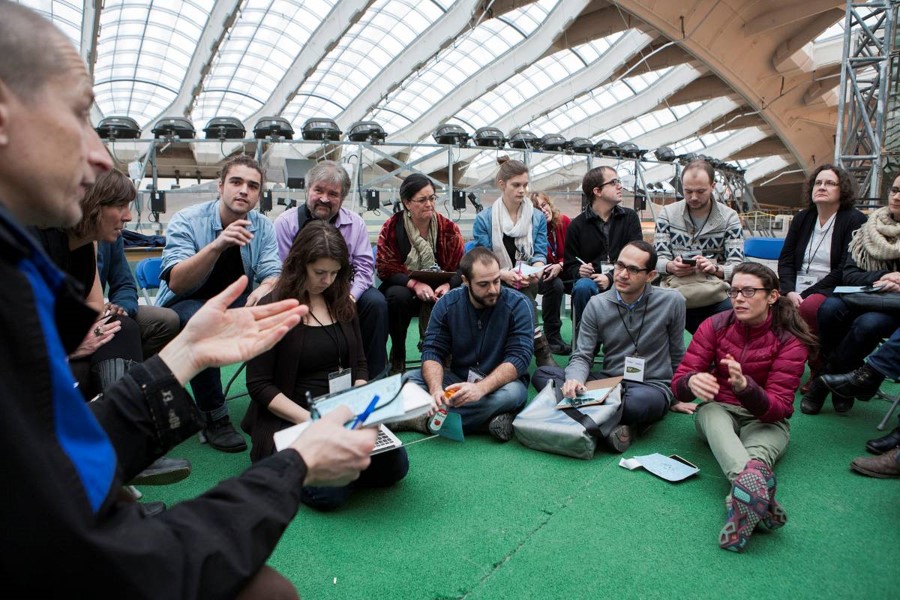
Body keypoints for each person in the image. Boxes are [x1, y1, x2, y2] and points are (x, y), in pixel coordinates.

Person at [0, 3, 377, 597]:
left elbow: (52, 461)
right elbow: (105, 558)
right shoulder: (187, 226)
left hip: (205, 324)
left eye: (255, 186)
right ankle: (213, 421)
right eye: (77, 114)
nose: (99, 155)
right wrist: (295, 463)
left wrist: (187, 356)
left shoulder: (19, 269)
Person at [245, 221, 409, 509]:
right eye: (320, 273)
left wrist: (357, 408)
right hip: (293, 416)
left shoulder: (342, 303)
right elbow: (259, 385)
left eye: (335, 273)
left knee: (396, 465)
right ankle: (328, 467)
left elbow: (359, 364)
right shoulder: (272, 308)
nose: (328, 280)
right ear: (299, 265)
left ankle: (334, 466)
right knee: (327, 494)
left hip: (341, 413)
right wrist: (314, 422)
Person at [671, 262, 815, 553]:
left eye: (748, 291)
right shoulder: (714, 325)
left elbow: (779, 409)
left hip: (767, 420)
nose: (738, 298)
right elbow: (679, 382)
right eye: (734, 291)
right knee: (709, 411)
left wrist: (745, 388)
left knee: (758, 453)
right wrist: (691, 382)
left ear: (773, 296)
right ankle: (755, 494)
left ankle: (738, 503)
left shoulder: (791, 341)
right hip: (719, 410)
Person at [155, 154, 281, 453]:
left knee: (279, 309)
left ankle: (276, 401)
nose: (244, 191)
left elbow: (272, 272)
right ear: (220, 186)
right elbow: (176, 282)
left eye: (252, 186)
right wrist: (217, 244)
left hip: (235, 301)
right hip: (184, 302)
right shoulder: (188, 219)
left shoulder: (262, 227)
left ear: (258, 194)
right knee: (200, 320)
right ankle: (214, 416)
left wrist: (264, 288)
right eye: (236, 182)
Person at [532, 241, 686, 452]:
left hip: (649, 385)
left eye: (633, 270)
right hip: (608, 382)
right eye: (620, 266)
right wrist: (573, 380)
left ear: (650, 276)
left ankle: (581, 419)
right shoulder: (597, 304)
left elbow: (678, 353)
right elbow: (582, 355)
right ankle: (618, 427)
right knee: (543, 375)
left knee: (639, 403)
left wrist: (676, 396)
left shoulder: (672, 301)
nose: (622, 274)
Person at [32, 168, 143, 399]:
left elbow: (89, 306)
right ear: (94, 205)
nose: (128, 216)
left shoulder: (82, 248)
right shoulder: (37, 243)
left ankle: (118, 420)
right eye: (120, 206)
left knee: (121, 327)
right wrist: (70, 348)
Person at [403, 248, 534, 442]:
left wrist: (480, 389)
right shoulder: (447, 303)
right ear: (465, 281)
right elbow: (432, 350)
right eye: (483, 284)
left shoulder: (519, 305)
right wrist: (436, 389)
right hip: (457, 379)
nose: (493, 289)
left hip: (499, 385)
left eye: (497, 281)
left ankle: (423, 420)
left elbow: (519, 358)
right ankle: (488, 421)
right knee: (408, 380)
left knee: (513, 394)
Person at [274, 160, 389, 378]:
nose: (324, 199)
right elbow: (282, 270)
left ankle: (374, 376)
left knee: (376, 304)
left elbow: (364, 268)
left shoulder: (356, 223)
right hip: (300, 292)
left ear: (342, 198)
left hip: (343, 291)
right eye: (318, 190)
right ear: (308, 189)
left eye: (333, 194)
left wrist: (352, 297)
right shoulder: (285, 223)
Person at [802, 174, 900, 415]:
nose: (897, 196)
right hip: (866, 294)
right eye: (895, 189)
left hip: (895, 306)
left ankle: (823, 383)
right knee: (829, 309)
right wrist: (881, 279)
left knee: (867, 324)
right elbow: (849, 274)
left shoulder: (853, 218)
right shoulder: (869, 228)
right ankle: (840, 381)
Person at [777, 164, 866, 385]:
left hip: (833, 286)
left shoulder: (854, 220)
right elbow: (786, 259)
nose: (822, 187)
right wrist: (788, 290)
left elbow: (844, 269)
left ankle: (818, 368)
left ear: (842, 190)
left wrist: (804, 293)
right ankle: (776, 364)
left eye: (830, 183)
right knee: (764, 300)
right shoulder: (803, 218)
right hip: (797, 285)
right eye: (818, 182)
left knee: (808, 307)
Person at [376, 174, 464, 373]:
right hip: (405, 287)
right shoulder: (392, 227)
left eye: (432, 198)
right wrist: (415, 284)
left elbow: (461, 267)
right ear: (407, 203)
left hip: (441, 284)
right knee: (396, 296)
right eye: (422, 200)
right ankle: (398, 354)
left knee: (454, 295)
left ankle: (442, 353)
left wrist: (448, 284)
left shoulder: (448, 228)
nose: (429, 204)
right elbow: (385, 267)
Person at [472, 159, 553, 366]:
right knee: (523, 299)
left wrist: (536, 270)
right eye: (516, 185)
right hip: (495, 278)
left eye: (525, 185)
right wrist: (504, 274)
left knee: (524, 291)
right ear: (502, 185)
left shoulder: (536, 217)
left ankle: (510, 351)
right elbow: (483, 259)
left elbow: (540, 252)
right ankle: (540, 350)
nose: (522, 190)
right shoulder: (485, 219)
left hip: (527, 279)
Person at [654, 159, 744, 333]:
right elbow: (657, 260)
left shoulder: (729, 218)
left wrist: (715, 268)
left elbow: (738, 266)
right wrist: (671, 266)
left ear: (713, 186)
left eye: (701, 191)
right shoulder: (667, 214)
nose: (693, 197)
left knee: (735, 313)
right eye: (688, 191)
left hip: (714, 292)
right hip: (675, 290)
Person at [95, 177, 180, 359]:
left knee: (167, 320)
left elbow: (125, 285)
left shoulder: (113, 238)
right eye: (120, 206)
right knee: (125, 329)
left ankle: (132, 374)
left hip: (103, 314)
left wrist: (121, 306)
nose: (129, 216)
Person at [563, 166, 642, 332]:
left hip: (625, 278)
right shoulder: (576, 226)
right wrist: (580, 271)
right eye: (613, 182)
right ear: (597, 191)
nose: (620, 186)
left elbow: (638, 257)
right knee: (583, 286)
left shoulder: (630, 218)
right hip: (591, 283)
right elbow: (569, 266)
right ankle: (586, 346)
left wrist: (610, 277)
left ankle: (619, 344)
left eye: (618, 181)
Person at [531, 191, 571, 354]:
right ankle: (552, 337)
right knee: (555, 285)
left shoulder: (564, 222)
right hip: (541, 274)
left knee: (583, 284)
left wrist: (560, 265)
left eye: (544, 205)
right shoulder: (530, 230)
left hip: (565, 269)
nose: (543, 210)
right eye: (537, 209)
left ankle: (583, 336)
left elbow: (572, 252)